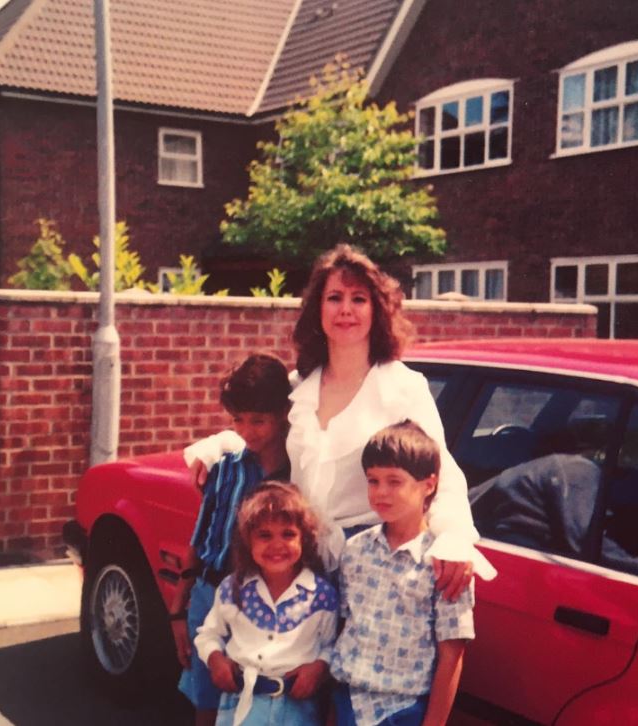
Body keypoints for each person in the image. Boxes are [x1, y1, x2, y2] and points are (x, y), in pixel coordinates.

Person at [185, 244, 496, 594]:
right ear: (318, 308)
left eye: (359, 299)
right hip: (300, 563)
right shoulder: (299, 386)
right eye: (334, 297)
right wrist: (216, 445)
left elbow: (442, 474)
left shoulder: (403, 387)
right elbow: (261, 433)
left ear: (376, 310)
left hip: (370, 568)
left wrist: (454, 537)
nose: (345, 309)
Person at [171, 353, 293, 726]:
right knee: (206, 701)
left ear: (283, 416)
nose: (246, 430)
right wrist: (179, 608)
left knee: (255, 707)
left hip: (263, 606)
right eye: (238, 420)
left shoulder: (297, 476)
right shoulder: (226, 468)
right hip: (208, 595)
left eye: (258, 420)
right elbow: (202, 534)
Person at [332, 420, 474, 726]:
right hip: (349, 702)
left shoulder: (445, 562)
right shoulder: (355, 549)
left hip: (403, 710)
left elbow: (452, 656)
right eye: (373, 481)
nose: (381, 492)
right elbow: (345, 625)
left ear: (429, 484)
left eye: (394, 481)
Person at [194, 482, 339, 726]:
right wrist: (215, 659)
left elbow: (331, 645)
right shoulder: (233, 588)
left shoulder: (321, 595)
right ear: (247, 542)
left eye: (288, 534)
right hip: (241, 704)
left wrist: (319, 667)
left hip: (296, 708)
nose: (277, 545)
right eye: (264, 535)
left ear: (304, 538)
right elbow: (208, 634)